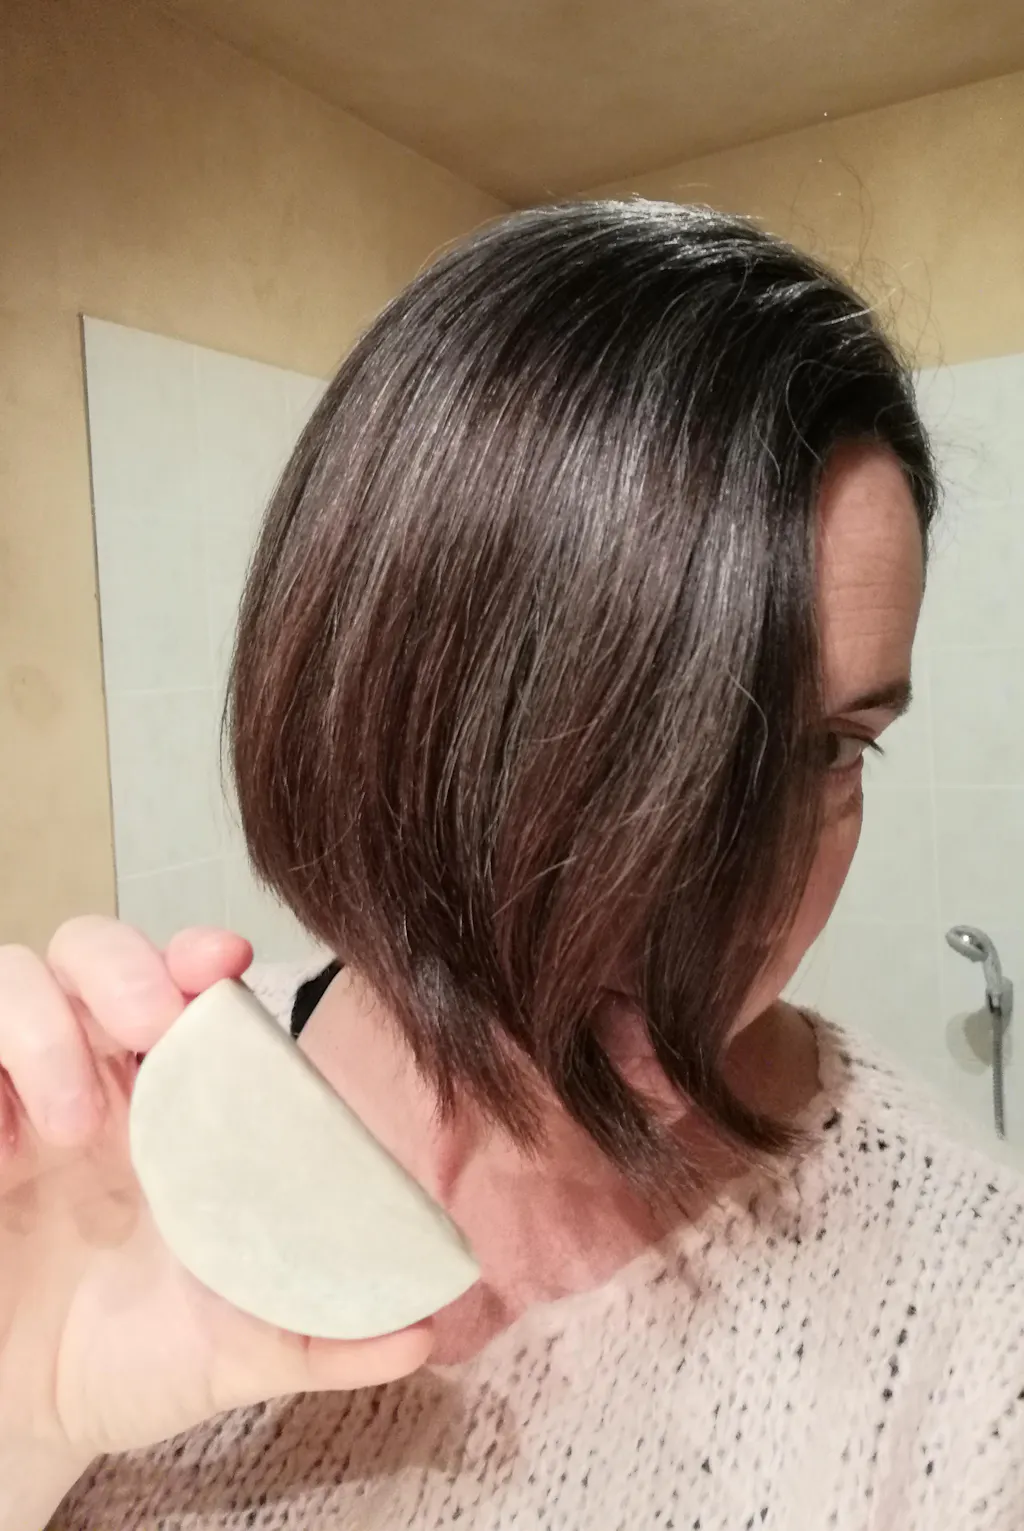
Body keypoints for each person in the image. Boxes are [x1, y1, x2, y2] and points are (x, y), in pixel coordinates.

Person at [3, 199, 1023, 1531]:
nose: (737, 899)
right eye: (623, 739)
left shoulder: (972, 1329)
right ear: (367, 699)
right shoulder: (112, 1184)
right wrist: (23, 1417)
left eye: (831, 748)